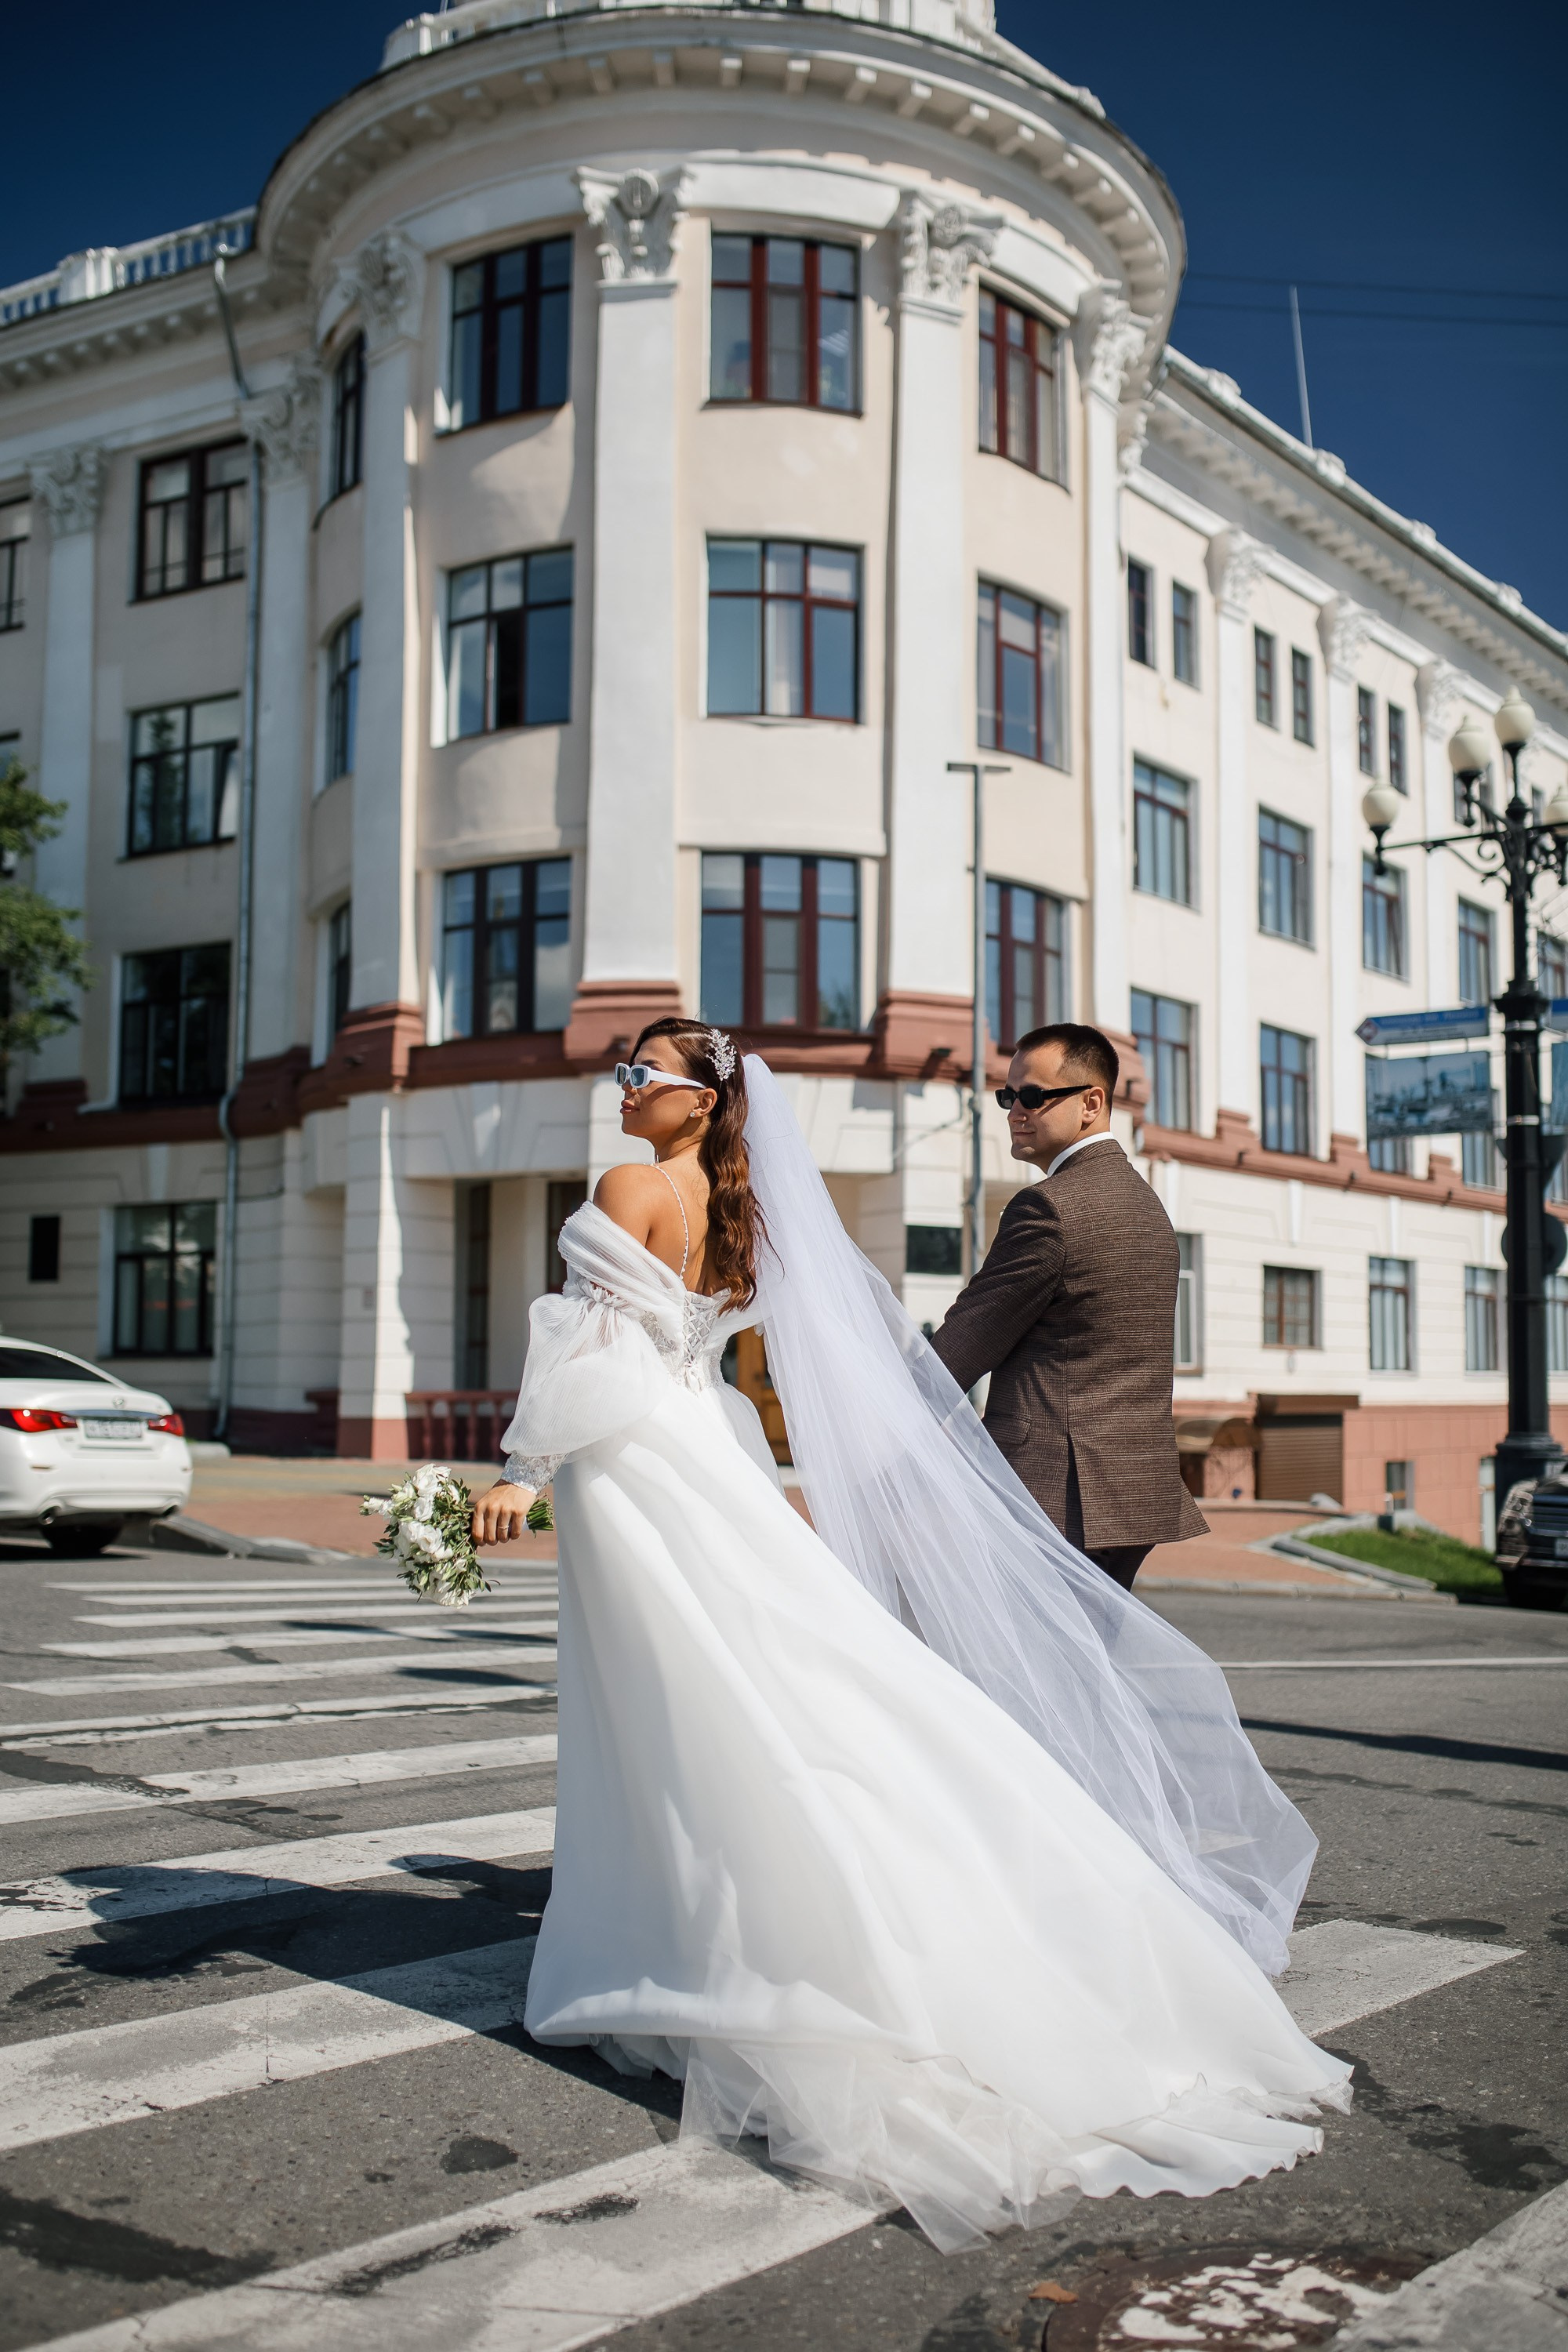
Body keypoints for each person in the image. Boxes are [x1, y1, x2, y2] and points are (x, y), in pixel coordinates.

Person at [471, 1020, 1348, 2253]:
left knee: (700, 1696)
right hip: (852, 1458)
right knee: (777, 1687)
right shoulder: (1128, 1208)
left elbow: (601, 1349)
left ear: (699, 1096)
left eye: (642, 1073)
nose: (623, 1088)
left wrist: (525, 1466)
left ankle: (971, 1893)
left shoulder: (646, 1187)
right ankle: (1030, 1885)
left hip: (685, 1463)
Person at [931, 1022, 1206, 1591]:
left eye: (1034, 1096)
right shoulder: (1146, 1205)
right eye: (1008, 1096)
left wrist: (866, 1418)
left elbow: (958, 1352)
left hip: (1055, 1492)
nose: (1015, 1111)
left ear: (1091, 1103)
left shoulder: (1047, 1209)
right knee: (1087, 1648)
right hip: (1134, 1492)